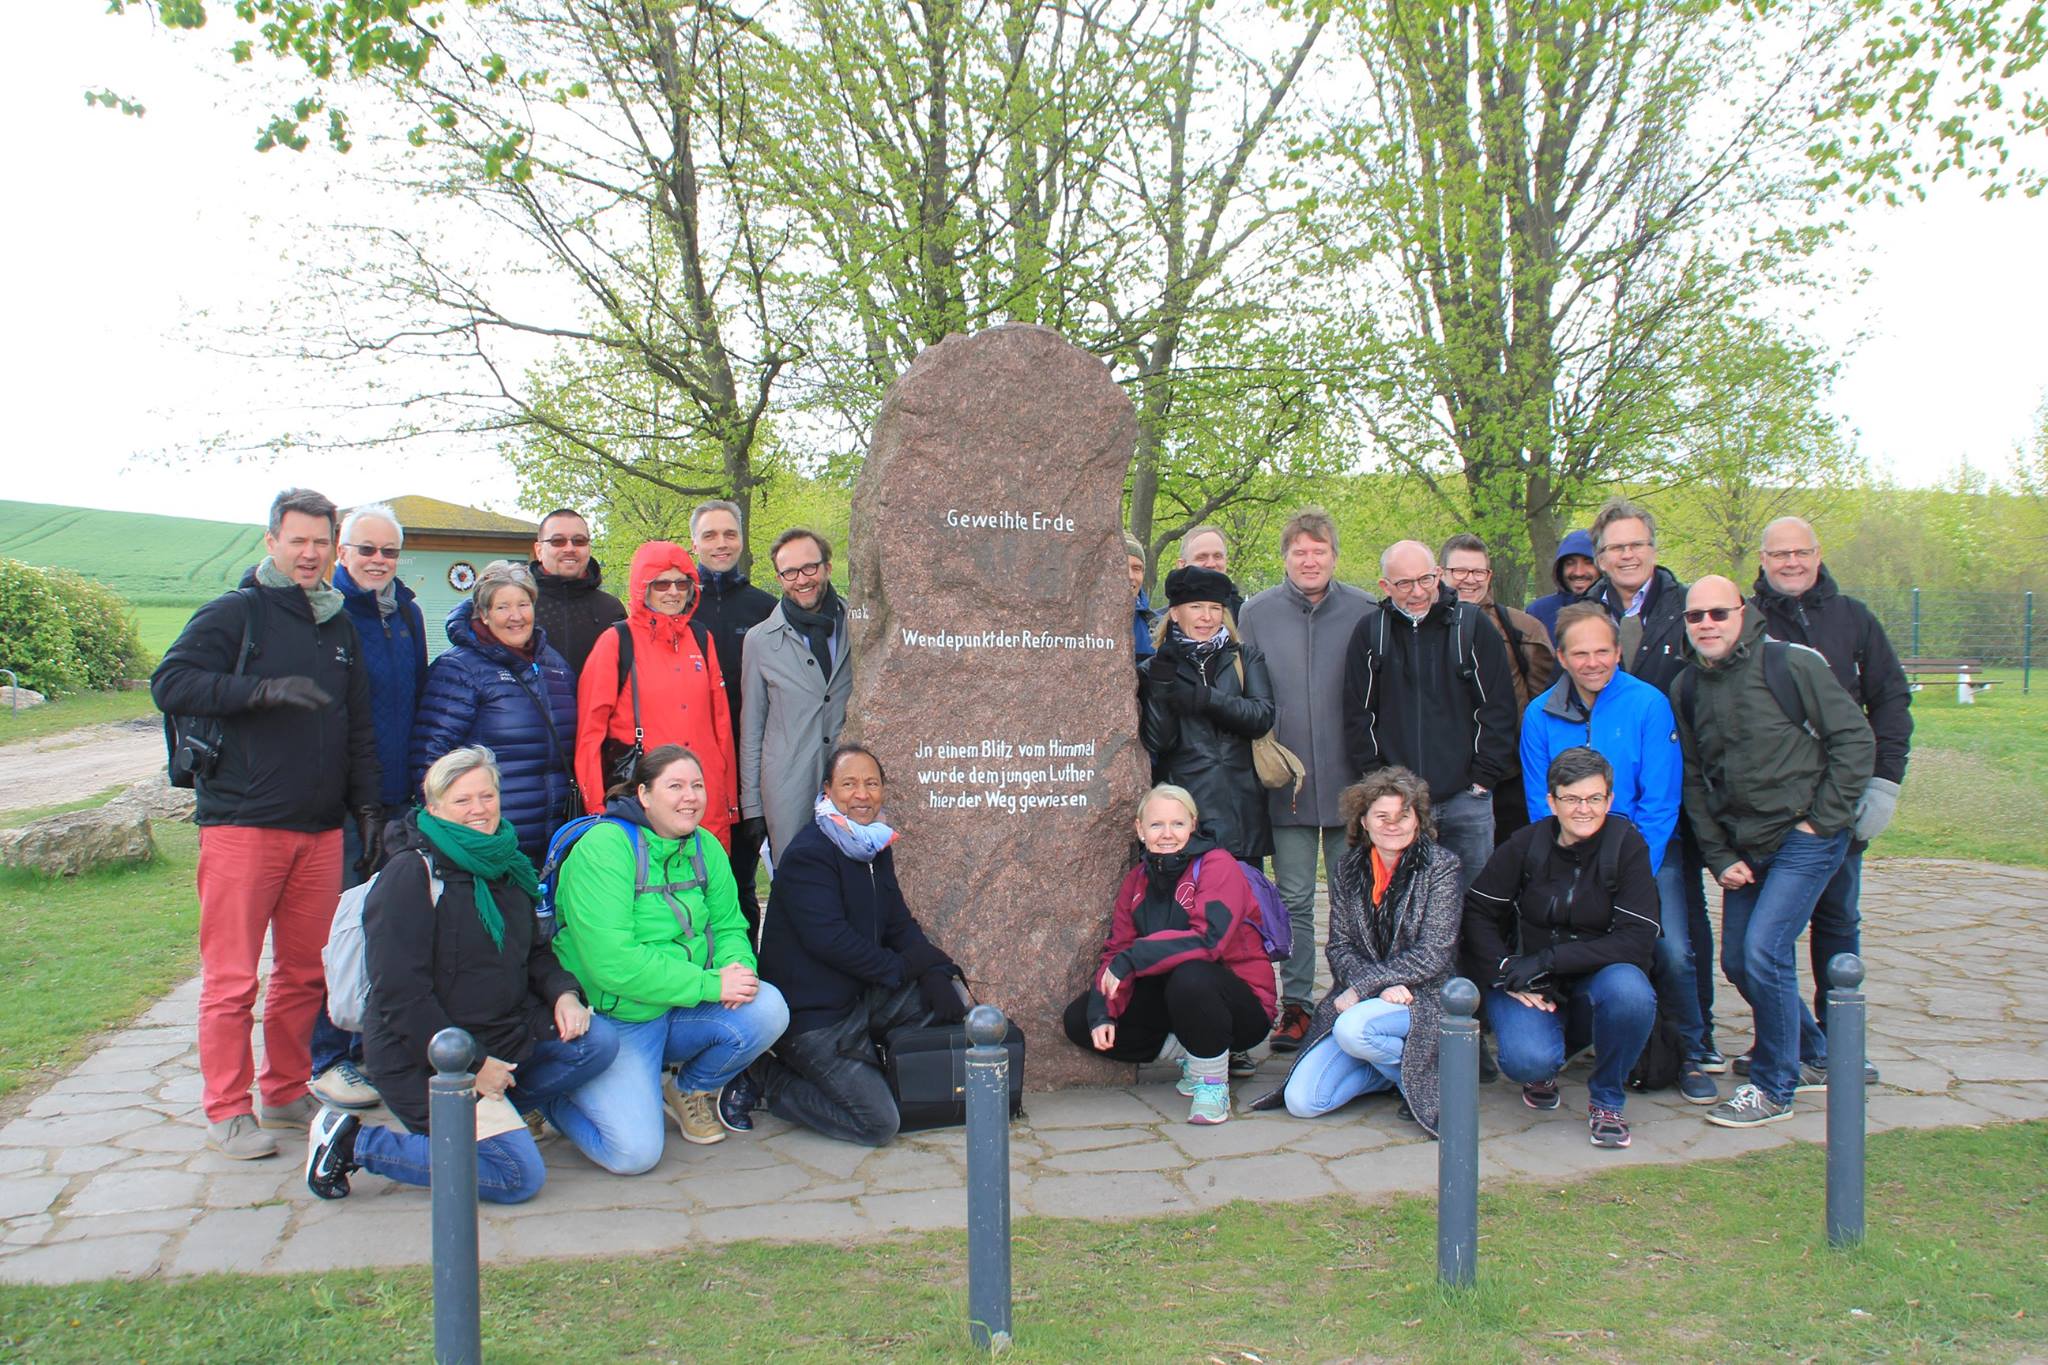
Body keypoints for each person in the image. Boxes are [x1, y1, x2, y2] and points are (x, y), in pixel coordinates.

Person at [150, 488, 382, 1159]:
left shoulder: (338, 626)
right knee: (232, 980)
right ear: (272, 540)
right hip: (243, 823)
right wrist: (258, 691)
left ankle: (282, 1091)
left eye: (320, 542)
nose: (309, 553)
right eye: (297, 540)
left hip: (320, 827)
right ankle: (228, 1108)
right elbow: (171, 682)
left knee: (305, 973)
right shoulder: (236, 612)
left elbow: (357, 727)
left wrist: (367, 807)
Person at [304, 747, 620, 1203]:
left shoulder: (508, 864)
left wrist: (564, 994)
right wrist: (474, 1066)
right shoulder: (411, 875)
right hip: (426, 1055)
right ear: (434, 808)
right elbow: (400, 996)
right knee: (517, 1176)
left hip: (502, 1032)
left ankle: (503, 1115)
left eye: (487, 796)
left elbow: (535, 953)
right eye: (462, 800)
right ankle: (353, 1141)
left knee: (598, 1042)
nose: (478, 809)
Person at [1674, 577, 1875, 1129]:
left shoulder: (1791, 665)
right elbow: (1693, 778)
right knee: (1740, 961)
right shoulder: (1687, 687)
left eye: (1718, 613)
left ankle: (1773, 1086)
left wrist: (1821, 821)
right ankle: (1811, 1053)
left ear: (1743, 613)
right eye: (1695, 616)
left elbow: (1855, 740)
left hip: (1805, 838)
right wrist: (1718, 855)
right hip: (1745, 846)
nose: (1707, 624)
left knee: (1765, 950)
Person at [548, 745, 788, 1171]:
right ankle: (549, 1097)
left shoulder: (706, 846)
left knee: (768, 1008)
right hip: (621, 1017)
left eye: (697, 786)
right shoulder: (604, 849)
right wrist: (711, 984)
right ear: (643, 794)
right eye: (675, 786)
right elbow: (613, 963)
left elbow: (729, 926)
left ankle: (687, 1088)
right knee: (634, 1154)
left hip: (682, 1005)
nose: (690, 797)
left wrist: (740, 970)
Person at [1520, 604, 1712, 1104]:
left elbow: (1660, 799)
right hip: (1570, 854)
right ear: (1561, 657)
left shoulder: (1648, 704)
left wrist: (1630, 873)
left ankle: (1692, 1049)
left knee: (1671, 949)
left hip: (1644, 850)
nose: (1593, 662)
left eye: (1602, 651)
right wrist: (1573, 868)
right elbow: (1541, 803)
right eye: (1580, 653)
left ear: (1619, 652)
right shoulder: (1539, 714)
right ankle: (1566, 1040)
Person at [733, 744, 969, 1144]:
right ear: (827, 790)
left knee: (950, 1000)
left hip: (862, 997)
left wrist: (934, 970)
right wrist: (902, 969)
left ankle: (871, 1067)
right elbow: (831, 941)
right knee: (879, 1123)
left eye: (871, 784)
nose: (862, 794)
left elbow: (898, 923)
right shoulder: (810, 853)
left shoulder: (873, 845)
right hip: (814, 1016)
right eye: (849, 784)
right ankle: (765, 1077)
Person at [1749, 516, 1910, 1075]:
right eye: (1780, 554)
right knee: (1765, 937)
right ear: (1763, 560)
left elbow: (1890, 700)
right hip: (1770, 807)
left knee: (1838, 920)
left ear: (1818, 554)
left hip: (1840, 799)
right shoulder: (1748, 621)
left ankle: (1840, 1044)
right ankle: (1787, 1040)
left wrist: (1884, 782)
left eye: (1801, 552)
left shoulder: (1853, 618)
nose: (1791, 562)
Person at [1463, 747, 1660, 1149]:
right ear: (1552, 801)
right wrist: (1504, 968)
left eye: (1594, 798)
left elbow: (1637, 938)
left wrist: (1550, 960)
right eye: (1571, 798)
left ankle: (1607, 1099)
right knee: (1528, 1061)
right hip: (1527, 980)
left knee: (1631, 993)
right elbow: (1477, 911)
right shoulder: (1525, 844)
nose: (1583, 809)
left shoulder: (1627, 846)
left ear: (1610, 799)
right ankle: (1546, 1064)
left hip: (1595, 976)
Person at [1580, 497, 1717, 1062]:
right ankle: (1626, 1038)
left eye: (1636, 544)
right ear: (1600, 557)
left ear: (1653, 550)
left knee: (1680, 934)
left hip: (1670, 795)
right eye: (1615, 547)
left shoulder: (1689, 610)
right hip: (1598, 807)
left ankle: (1695, 1038)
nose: (1627, 555)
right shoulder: (1586, 610)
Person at [1237, 507, 1374, 1053]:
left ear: (1334, 556)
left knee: (1351, 896)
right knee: (1293, 897)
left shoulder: (1365, 609)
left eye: (1319, 550)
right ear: (1286, 557)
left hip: (1352, 781)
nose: (1310, 560)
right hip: (1284, 779)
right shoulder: (1256, 613)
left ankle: (1349, 994)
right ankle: (1295, 1003)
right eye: (1300, 551)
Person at [1062, 784, 1279, 1125]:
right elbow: (1118, 948)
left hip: (1240, 1005)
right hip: (1174, 999)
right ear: (1140, 829)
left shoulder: (1218, 865)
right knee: (1081, 1019)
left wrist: (1133, 958)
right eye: (1156, 825)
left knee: (1191, 974)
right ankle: (1193, 1052)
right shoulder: (1137, 880)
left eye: (1177, 824)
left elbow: (1209, 940)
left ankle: (1211, 1084)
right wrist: (1104, 1010)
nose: (1167, 834)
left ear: (1193, 824)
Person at [1261, 768, 1461, 1133]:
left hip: (1421, 996)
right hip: (1367, 998)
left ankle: (1418, 1080)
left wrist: (1367, 986)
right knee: (1303, 1101)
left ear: (1418, 820)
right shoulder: (1348, 868)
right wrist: (1375, 986)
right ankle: (1390, 1074)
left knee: (1353, 1029)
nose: (1393, 825)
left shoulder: (1441, 867)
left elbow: (1434, 952)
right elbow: (1339, 946)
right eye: (1382, 816)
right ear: (1364, 822)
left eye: (1403, 815)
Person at [310, 501, 428, 1112]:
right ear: (342, 551)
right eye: (366, 549)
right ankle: (328, 1055)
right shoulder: (326, 612)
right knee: (340, 928)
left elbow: (415, 699)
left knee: (388, 928)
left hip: (398, 797)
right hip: (343, 800)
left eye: (389, 551)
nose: (378, 560)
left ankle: (371, 1047)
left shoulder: (405, 613)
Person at [1341, 539, 1517, 897]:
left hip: (1465, 799)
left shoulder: (1473, 627)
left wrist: (1482, 779)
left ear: (1439, 574)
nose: (1418, 592)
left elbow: (1498, 708)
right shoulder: (1371, 634)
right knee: (1402, 903)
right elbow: (1359, 715)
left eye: (1425, 579)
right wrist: (1379, 784)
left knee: (1475, 904)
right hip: (1398, 804)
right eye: (1404, 583)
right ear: (1385, 586)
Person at [410, 561, 580, 866]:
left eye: (523, 604)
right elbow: (430, 758)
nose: (516, 616)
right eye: (502, 607)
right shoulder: (459, 669)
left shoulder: (554, 666)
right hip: (488, 838)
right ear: (484, 614)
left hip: (553, 838)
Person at [575, 542, 739, 854]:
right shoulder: (616, 642)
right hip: (645, 803)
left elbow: (721, 726)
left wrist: (727, 799)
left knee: (708, 879)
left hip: (703, 800)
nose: (673, 592)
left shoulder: (701, 638)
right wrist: (596, 807)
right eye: (662, 584)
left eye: (682, 583)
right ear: (643, 587)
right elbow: (589, 734)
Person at [1138, 566, 1276, 862]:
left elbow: (1261, 717)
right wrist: (1161, 687)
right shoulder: (1153, 669)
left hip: (1241, 811)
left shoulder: (1245, 658)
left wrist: (1207, 698)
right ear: (1175, 613)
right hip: (1184, 811)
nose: (1207, 617)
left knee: (1243, 890)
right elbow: (1159, 741)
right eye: (1196, 607)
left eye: (1215, 608)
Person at [690, 499, 779, 929]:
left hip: (750, 765)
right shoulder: (679, 605)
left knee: (742, 882)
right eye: (710, 535)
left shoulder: (765, 607)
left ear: (742, 540)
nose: (721, 544)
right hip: (694, 765)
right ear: (694, 543)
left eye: (729, 534)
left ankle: (746, 965)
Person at [739, 527, 852, 863]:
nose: (801, 580)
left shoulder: (858, 625)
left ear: (827, 567)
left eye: (809, 568)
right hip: (787, 788)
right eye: (790, 572)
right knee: (798, 879)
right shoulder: (759, 641)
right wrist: (752, 807)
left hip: (851, 782)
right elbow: (752, 728)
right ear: (779, 578)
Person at [1440, 532, 1555, 840]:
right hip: (1442, 779)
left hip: (1508, 778)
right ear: (1441, 573)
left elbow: (1543, 702)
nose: (1469, 579)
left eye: (1478, 571)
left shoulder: (1522, 628)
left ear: (1489, 576)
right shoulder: (1421, 630)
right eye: (1459, 571)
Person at [528, 508, 627, 678]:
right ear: (539, 550)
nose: (570, 548)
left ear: (588, 548)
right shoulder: (521, 606)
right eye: (558, 541)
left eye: (579, 541)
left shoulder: (611, 609)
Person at [1524, 529, 1599, 643]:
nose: (1578, 572)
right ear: (1560, 568)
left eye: (1589, 562)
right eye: (1570, 563)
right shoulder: (1539, 612)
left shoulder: (1615, 607)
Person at [1175, 524, 1244, 620]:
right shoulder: (1161, 623)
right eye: (1201, 557)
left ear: (1226, 562)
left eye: (1217, 556)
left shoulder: (1247, 618)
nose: (1211, 564)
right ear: (1182, 565)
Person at [1125, 531, 1158, 663]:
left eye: (1136, 568)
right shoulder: (1076, 623)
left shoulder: (1158, 628)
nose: (1130, 576)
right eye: (1121, 565)